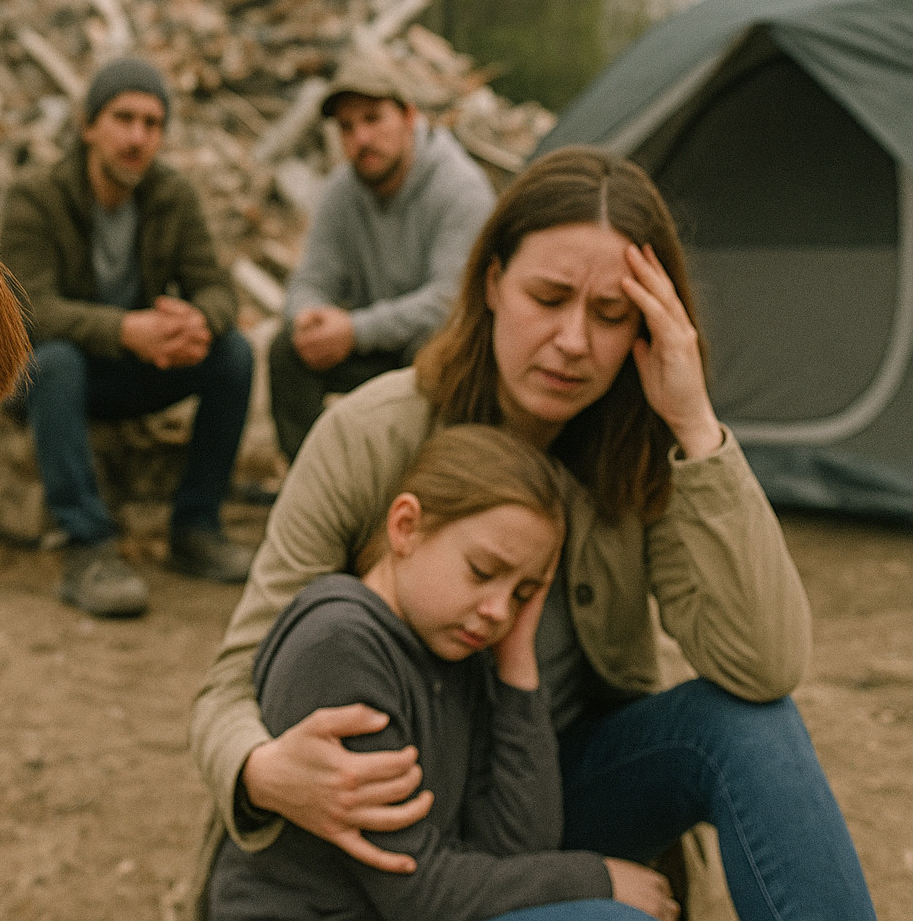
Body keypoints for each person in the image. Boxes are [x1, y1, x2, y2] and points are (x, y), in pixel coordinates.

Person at [190, 147, 877, 920]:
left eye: (611, 315)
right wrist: (260, 769)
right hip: (394, 838)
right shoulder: (372, 434)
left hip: (543, 796)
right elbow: (231, 680)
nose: (574, 341)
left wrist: (695, 426)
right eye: (548, 297)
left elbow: (766, 663)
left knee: (749, 728)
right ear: (492, 282)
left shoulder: (642, 451)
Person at [207, 424, 676, 921]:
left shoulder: (458, 650)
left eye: (523, 593)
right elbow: (417, 890)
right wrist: (594, 878)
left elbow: (518, 846)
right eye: (482, 571)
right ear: (406, 526)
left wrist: (517, 667)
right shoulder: (340, 646)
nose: (499, 610)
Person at [2, 56, 256, 619]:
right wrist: (125, 329)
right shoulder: (35, 197)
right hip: (49, 378)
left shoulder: (171, 195)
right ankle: (87, 547)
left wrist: (199, 321)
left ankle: (195, 528)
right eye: (123, 118)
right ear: (89, 125)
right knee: (58, 358)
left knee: (233, 354)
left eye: (152, 123)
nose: (138, 137)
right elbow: (26, 310)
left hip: (130, 368)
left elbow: (216, 287)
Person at [268, 52, 495, 462]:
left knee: (435, 351)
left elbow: (450, 302)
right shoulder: (343, 189)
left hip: (437, 349)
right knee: (288, 350)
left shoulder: (461, 190)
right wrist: (307, 318)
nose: (361, 139)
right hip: (377, 343)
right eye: (347, 127)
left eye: (373, 119)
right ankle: (312, 486)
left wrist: (354, 330)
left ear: (409, 117)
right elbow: (311, 278)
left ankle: (425, 488)